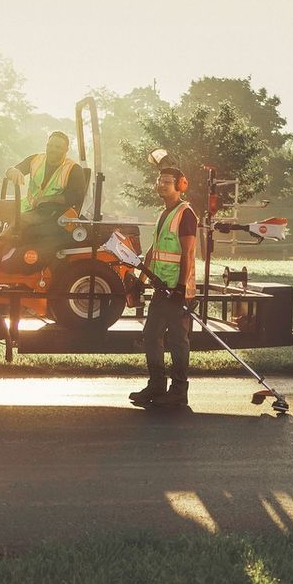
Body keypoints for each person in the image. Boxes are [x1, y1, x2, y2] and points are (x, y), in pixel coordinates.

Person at [130, 162, 198, 410]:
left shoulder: (186, 214)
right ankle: (157, 385)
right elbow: (154, 250)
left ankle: (179, 391)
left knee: (178, 340)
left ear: (180, 186)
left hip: (177, 291)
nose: (161, 185)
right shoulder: (163, 213)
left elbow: (188, 254)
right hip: (162, 288)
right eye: (159, 181)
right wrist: (141, 280)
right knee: (151, 336)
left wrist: (181, 288)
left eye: (168, 182)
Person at [0, 131, 89, 253]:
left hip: (50, 214)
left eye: (58, 147)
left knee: (19, 220)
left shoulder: (73, 169)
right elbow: (12, 170)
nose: (52, 150)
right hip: (27, 205)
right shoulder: (35, 159)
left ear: (66, 150)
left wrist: (48, 199)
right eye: (50, 146)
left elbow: (76, 197)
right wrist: (13, 171)